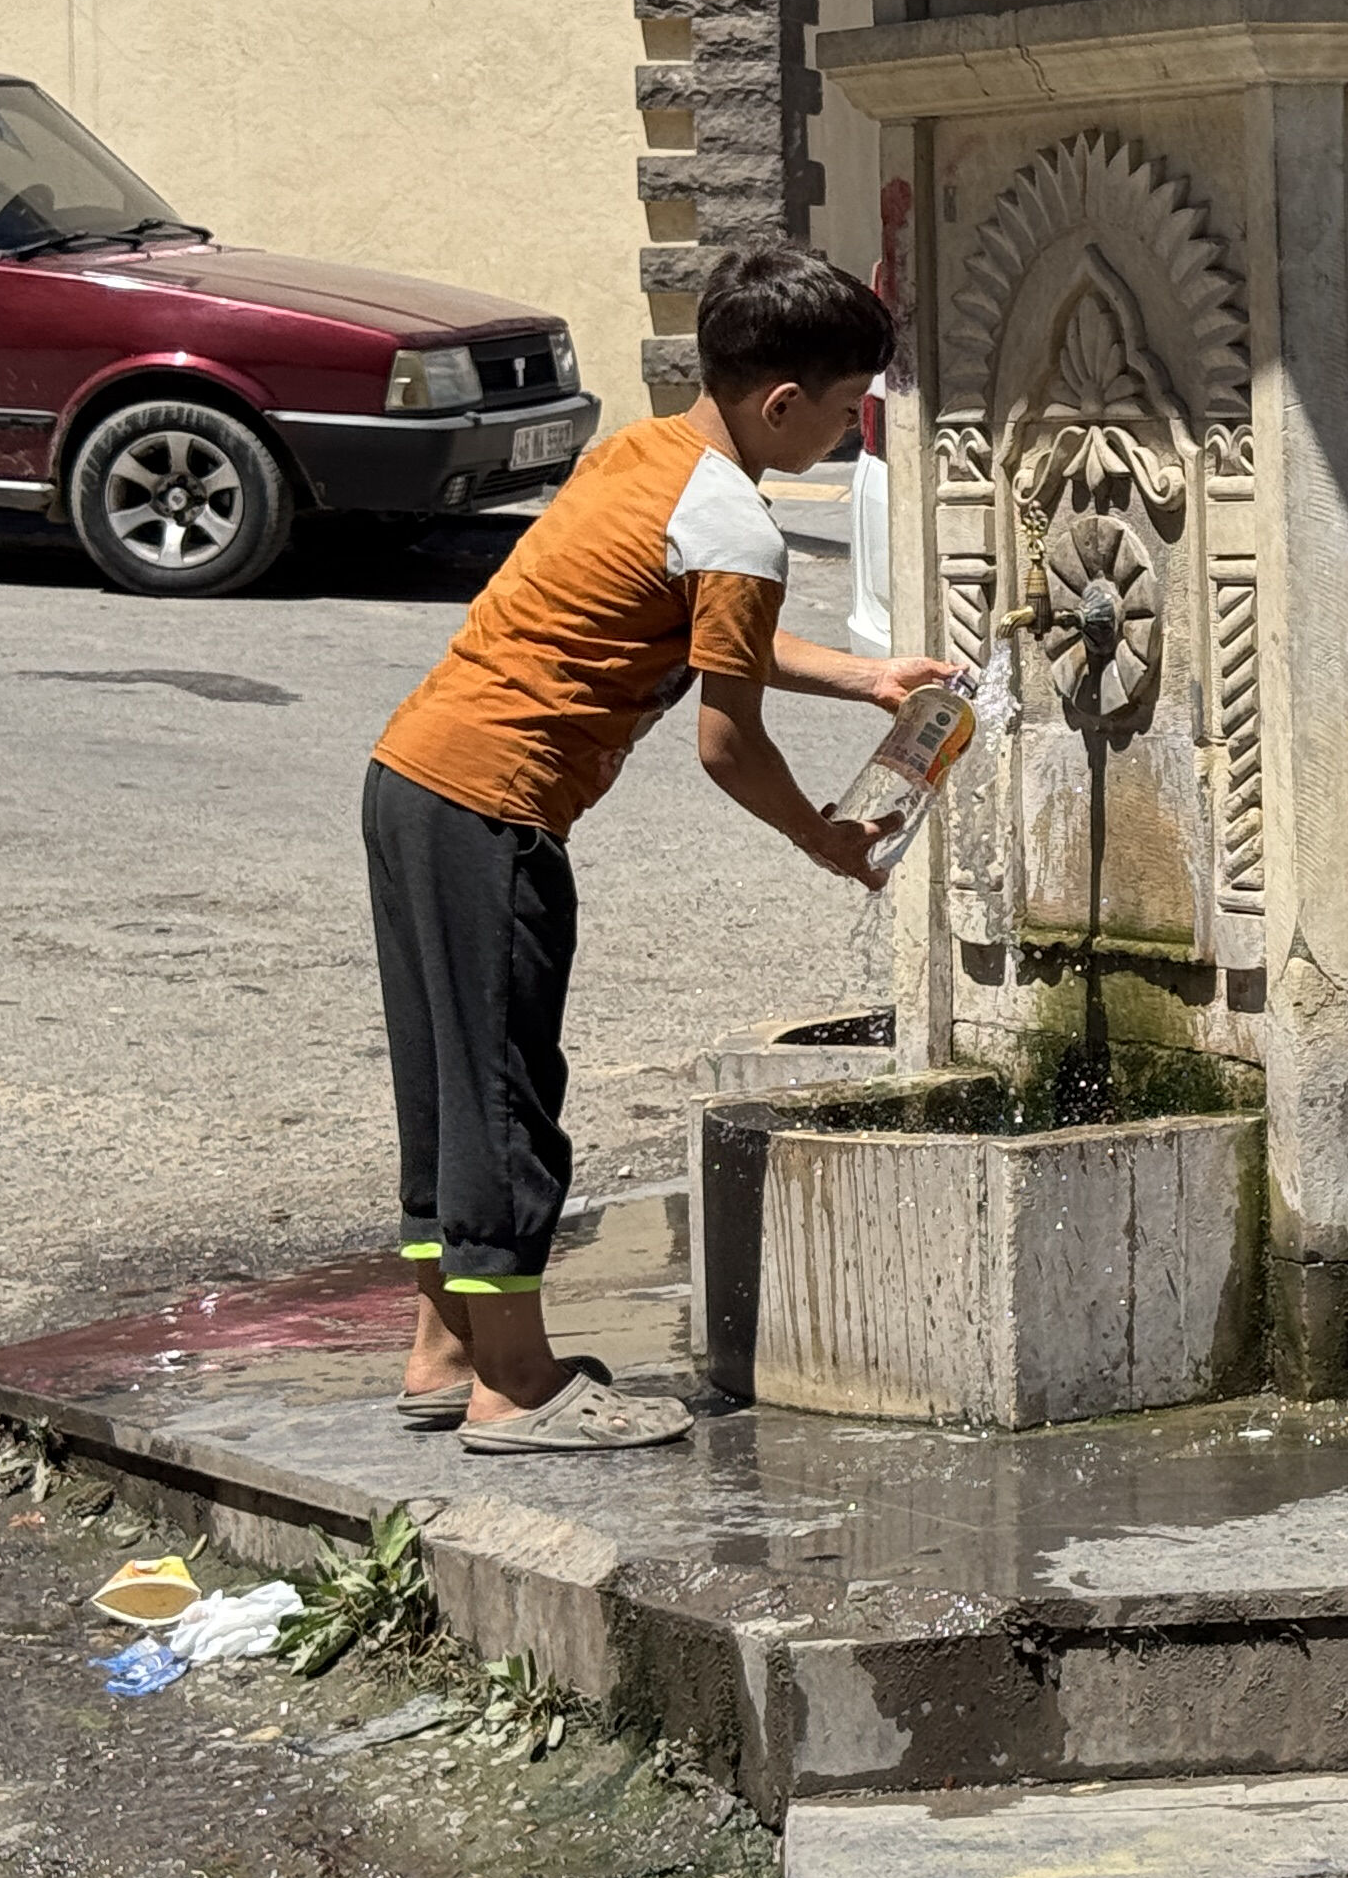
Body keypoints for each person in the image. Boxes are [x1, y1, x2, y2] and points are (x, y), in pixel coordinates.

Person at [364, 245, 954, 1453]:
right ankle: (515, 1389)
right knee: (504, 1096)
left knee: (448, 1084)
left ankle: (445, 1351)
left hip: (412, 778)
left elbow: (697, 628)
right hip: (496, 807)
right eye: (846, 413)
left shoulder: (647, 456)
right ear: (781, 403)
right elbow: (725, 740)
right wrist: (826, 838)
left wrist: (863, 677)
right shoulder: (739, 520)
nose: (847, 437)